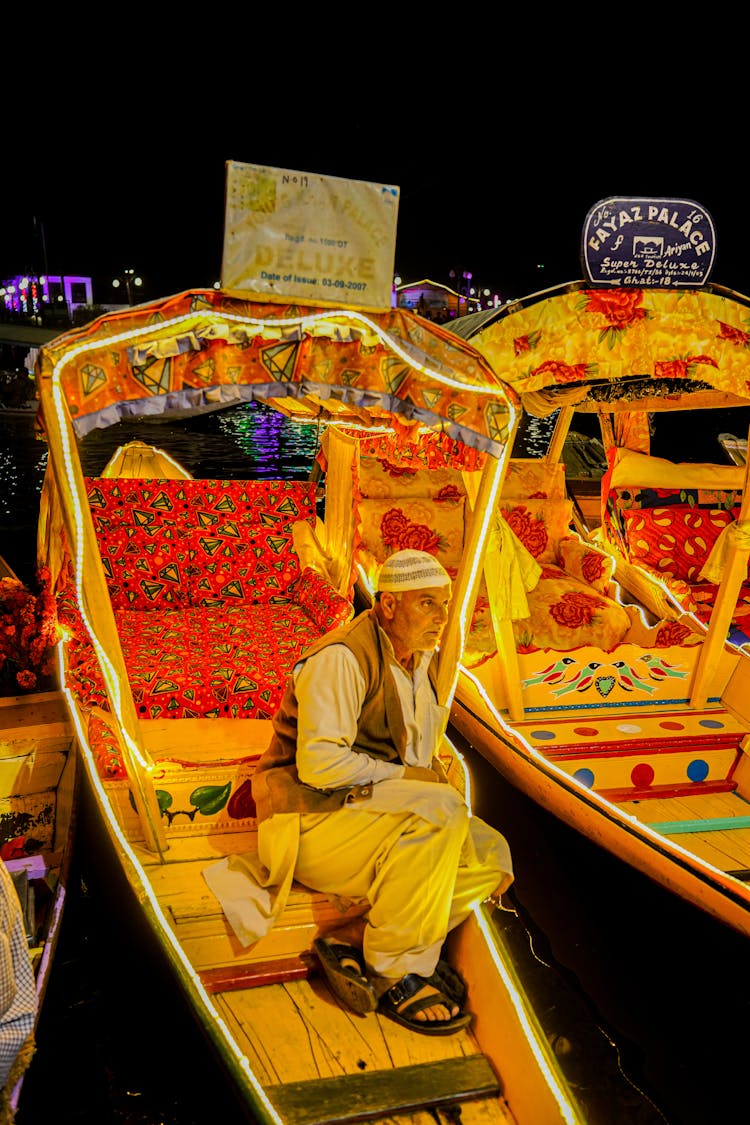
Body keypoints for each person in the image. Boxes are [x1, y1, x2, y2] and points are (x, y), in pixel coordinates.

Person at [204, 549, 513, 1034]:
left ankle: (353, 937)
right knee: (440, 811)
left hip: (364, 815)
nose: (441, 618)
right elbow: (320, 765)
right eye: (427, 604)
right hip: (308, 822)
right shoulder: (342, 659)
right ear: (388, 606)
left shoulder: (421, 660)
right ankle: (393, 971)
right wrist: (409, 782)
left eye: (445, 605)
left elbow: (414, 754)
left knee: (492, 858)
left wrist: (415, 779)